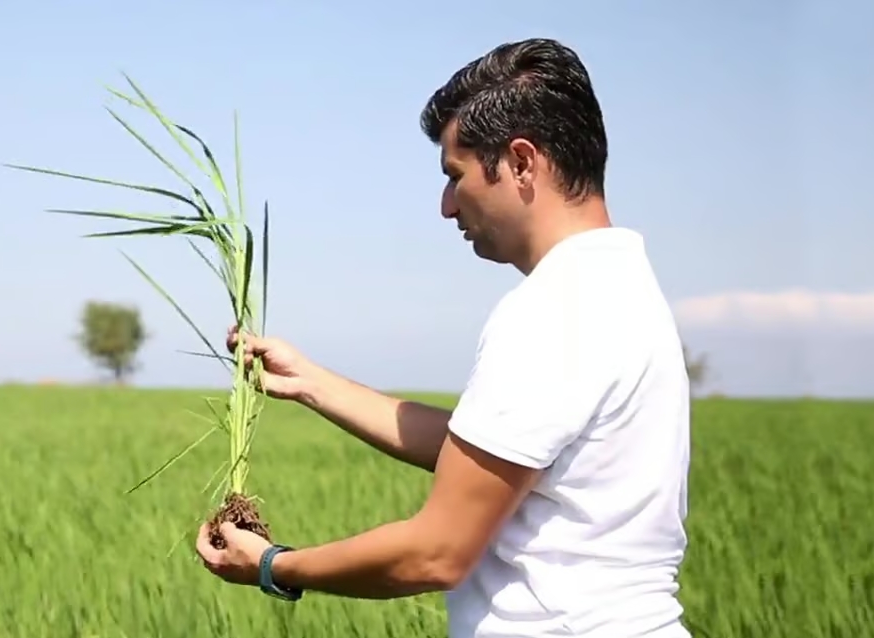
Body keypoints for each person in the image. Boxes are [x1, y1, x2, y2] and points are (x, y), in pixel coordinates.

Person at [194, 37, 693, 638]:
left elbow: (437, 552)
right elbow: (486, 454)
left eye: (455, 176)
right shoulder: (618, 283)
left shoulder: (554, 310)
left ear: (522, 163)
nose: (447, 206)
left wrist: (276, 566)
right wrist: (311, 383)